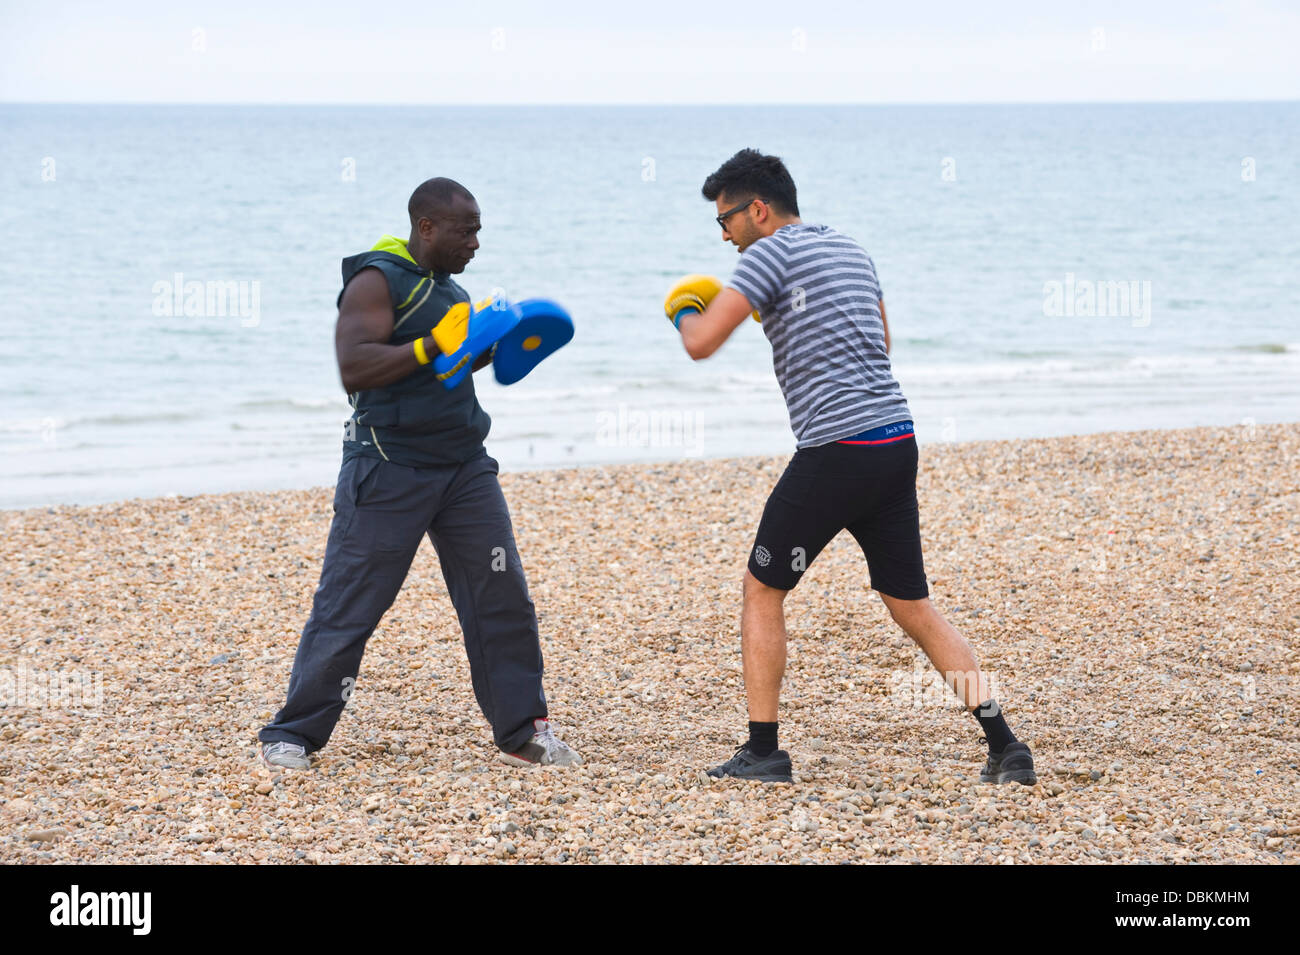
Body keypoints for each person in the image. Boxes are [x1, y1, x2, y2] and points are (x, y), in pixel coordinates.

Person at [665, 149, 1035, 785]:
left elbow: (700, 344)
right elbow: (879, 342)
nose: (723, 233)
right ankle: (1006, 745)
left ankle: (763, 752)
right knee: (912, 604)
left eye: (725, 219)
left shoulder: (767, 255)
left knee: (763, 588)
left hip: (837, 450)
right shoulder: (850, 250)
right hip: (894, 441)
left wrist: (682, 309)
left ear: (758, 209)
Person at [258, 177, 580, 770]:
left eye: (480, 229)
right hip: (388, 465)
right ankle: (293, 735)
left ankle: (521, 733)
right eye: (467, 230)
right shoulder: (376, 279)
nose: (477, 242)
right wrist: (434, 346)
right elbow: (355, 364)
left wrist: (498, 344)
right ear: (427, 227)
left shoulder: (450, 290)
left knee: (499, 593)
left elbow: (452, 362)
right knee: (351, 601)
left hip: (464, 468)